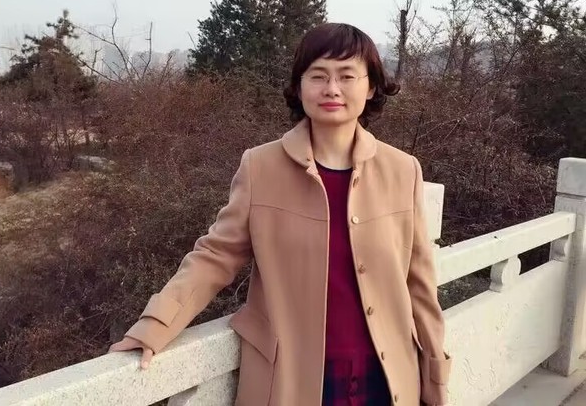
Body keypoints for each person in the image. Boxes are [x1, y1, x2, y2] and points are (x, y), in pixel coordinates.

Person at [109, 23, 452, 405]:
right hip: (290, 382)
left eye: (347, 76)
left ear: (371, 86)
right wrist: (155, 324)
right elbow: (214, 257)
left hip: (386, 382)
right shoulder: (261, 167)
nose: (332, 89)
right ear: (299, 86)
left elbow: (420, 287)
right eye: (318, 76)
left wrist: (435, 379)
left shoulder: (403, 171)